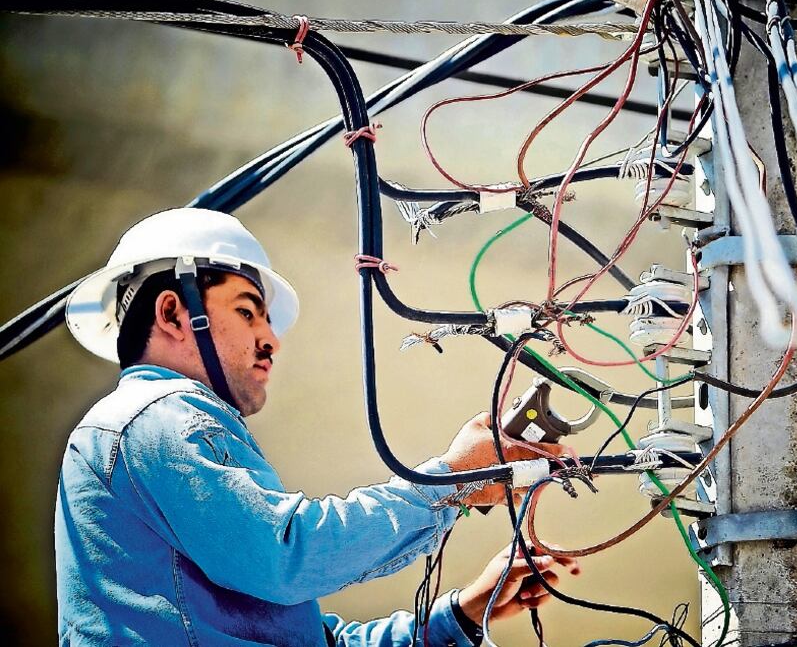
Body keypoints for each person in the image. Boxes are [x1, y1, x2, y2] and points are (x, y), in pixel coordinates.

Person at [56, 208, 578, 646]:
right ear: (173, 313)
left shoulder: (156, 436)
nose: (271, 340)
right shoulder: (157, 415)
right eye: (248, 312)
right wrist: (448, 481)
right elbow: (286, 558)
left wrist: (462, 613)